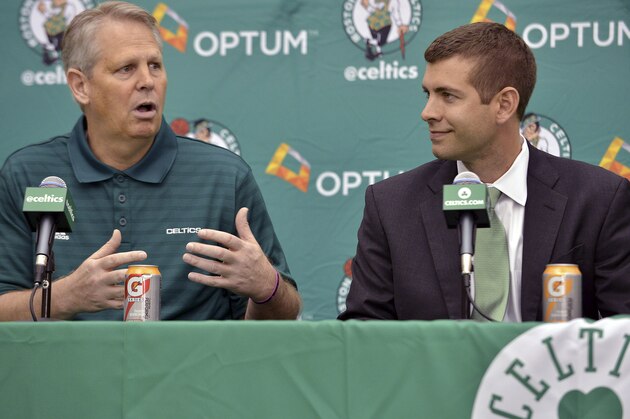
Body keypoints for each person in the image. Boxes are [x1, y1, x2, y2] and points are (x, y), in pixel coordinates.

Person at [0, 1, 300, 321]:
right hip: (70, 370)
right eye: (126, 68)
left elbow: (282, 316)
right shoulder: (29, 174)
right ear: (80, 85)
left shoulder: (224, 177)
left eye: (155, 65)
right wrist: (62, 298)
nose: (147, 81)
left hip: (197, 369)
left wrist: (267, 287)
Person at [339, 22, 630, 321]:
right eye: (427, 94)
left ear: (504, 105)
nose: (427, 112)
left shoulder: (598, 199)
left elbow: (623, 330)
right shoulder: (390, 205)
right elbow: (364, 333)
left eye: (448, 96)